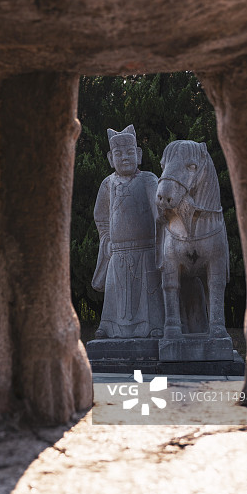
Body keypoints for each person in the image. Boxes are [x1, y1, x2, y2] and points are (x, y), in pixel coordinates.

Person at [92, 125, 164, 338]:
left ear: (138, 154)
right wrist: (106, 239)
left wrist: (161, 236)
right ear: (110, 158)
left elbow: (159, 210)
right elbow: (101, 216)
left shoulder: (148, 179)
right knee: (115, 292)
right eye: (118, 153)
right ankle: (109, 326)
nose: (124, 157)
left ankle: (154, 325)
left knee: (148, 293)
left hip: (147, 250)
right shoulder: (108, 184)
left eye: (130, 152)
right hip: (118, 252)